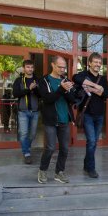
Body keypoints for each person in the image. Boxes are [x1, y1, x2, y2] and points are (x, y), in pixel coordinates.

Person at [37, 56, 76, 184]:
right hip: (50, 120)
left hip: (64, 119)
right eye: (60, 67)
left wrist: (69, 91)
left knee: (64, 148)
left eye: (64, 67)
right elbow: (47, 99)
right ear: (53, 65)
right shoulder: (44, 80)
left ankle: (59, 172)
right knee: (50, 147)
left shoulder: (66, 80)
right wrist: (61, 89)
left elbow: (72, 99)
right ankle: (43, 170)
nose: (62, 69)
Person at [72, 52, 108, 178]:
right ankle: (91, 169)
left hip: (99, 115)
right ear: (89, 63)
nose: (98, 65)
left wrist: (92, 89)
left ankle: (86, 164)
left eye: (100, 63)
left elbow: (107, 94)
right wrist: (96, 86)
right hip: (87, 113)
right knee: (92, 141)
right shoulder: (83, 75)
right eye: (95, 62)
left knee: (93, 143)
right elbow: (74, 78)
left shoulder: (103, 79)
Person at [13, 60, 40, 164]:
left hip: (35, 111)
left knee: (32, 134)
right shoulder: (19, 80)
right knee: (23, 133)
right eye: (28, 67)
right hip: (23, 111)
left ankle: (26, 148)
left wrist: (35, 88)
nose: (30, 69)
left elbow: (41, 95)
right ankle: (26, 153)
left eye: (32, 67)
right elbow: (16, 94)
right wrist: (29, 89)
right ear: (24, 68)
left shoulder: (37, 80)